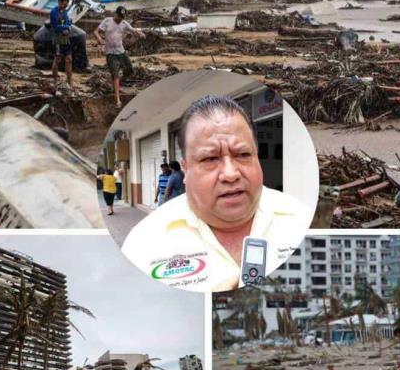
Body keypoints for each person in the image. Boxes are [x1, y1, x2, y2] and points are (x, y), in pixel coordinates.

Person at [122, 94, 313, 292]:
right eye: (210, 159)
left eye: (243, 155)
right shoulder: (143, 244)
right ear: (185, 170)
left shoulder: (304, 221)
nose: (230, 174)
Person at [94, 6, 146, 108]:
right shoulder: (107, 21)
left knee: (129, 71)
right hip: (110, 53)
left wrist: (140, 33)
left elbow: (133, 30)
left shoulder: (124, 23)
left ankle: (115, 84)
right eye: (119, 16)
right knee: (115, 74)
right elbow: (96, 31)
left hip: (121, 51)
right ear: (115, 14)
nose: (120, 19)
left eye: (122, 17)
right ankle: (117, 100)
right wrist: (99, 39)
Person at [51, 0, 74, 89]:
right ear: (60, 2)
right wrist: (64, 28)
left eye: (66, 5)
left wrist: (67, 28)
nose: (65, 7)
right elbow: (55, 26)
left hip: (66, 39)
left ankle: (69, 81)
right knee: (57, 60)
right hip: (58, 40)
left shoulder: (65, 12)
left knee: (69, 59)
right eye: (64, 4)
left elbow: (68, 22)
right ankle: (55, 80)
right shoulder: (53, 12)